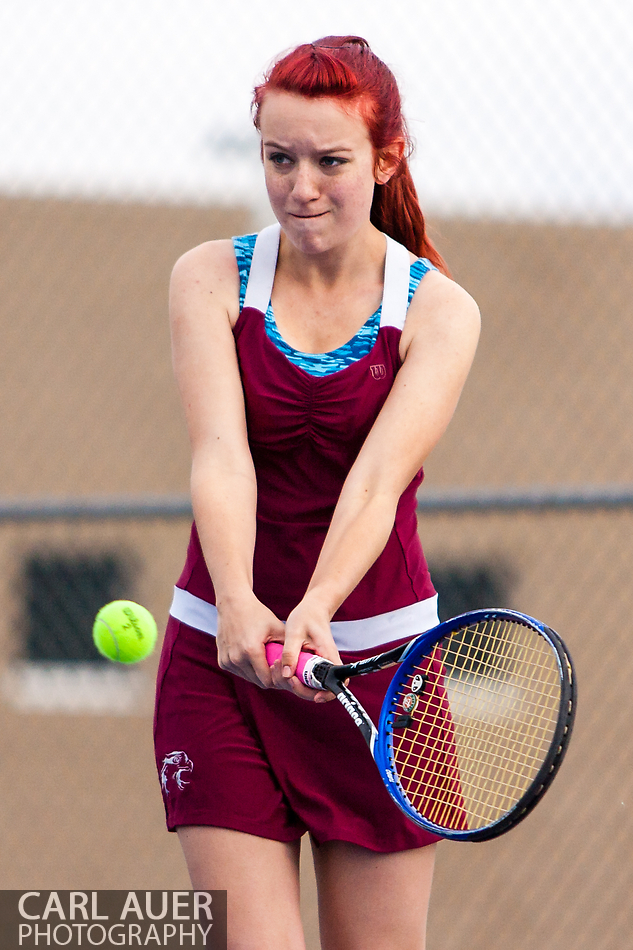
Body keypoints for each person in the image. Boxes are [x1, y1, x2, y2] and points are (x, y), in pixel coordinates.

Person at [154, 35, 480, 950]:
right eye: (278, 158)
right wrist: (235, 602)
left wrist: (318, 608)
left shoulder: (439, 312)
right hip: (223, 655)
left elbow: (376, 483)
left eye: (331, 162)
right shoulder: (209, 277)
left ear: (384, 160)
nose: (301, 185)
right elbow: (221, 454)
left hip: (378, 674)